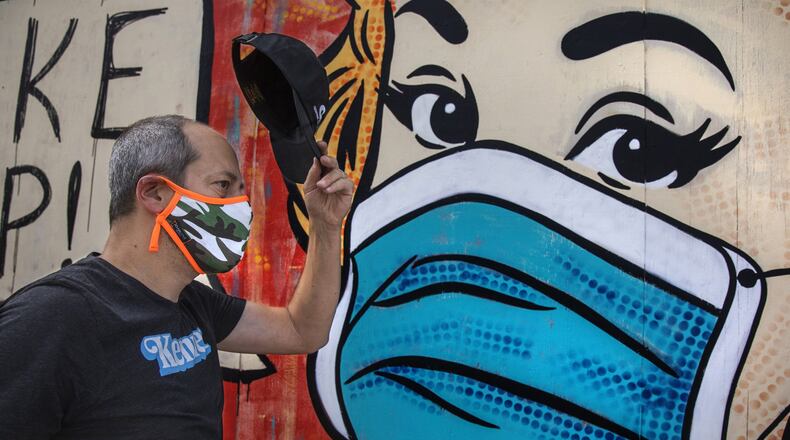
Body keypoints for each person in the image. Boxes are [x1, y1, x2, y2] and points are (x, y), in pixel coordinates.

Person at [0, 115, 353, 439]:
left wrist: (325, 225)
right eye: (223, 185)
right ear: (154, 193)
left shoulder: (193, 304)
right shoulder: (52, 318)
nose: (242, 206)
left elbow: (301, 330)